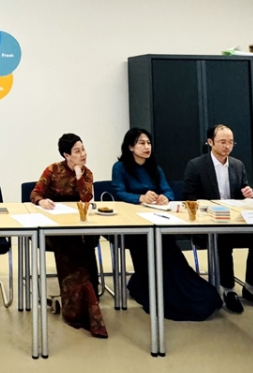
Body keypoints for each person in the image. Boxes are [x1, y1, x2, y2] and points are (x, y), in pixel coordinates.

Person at [113, 128, 221, 321]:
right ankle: (152, 287)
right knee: (151, 253)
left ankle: (185, 291)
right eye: (141, 143)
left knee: (170, 254)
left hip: (158, 220)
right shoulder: (120, 167)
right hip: (134, 225)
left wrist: (165, 197)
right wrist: (140, 197)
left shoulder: (155, 168)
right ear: (130, 147)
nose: (147, 147)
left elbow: (168, 190)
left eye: (148, 143)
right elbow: (119, 192)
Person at [31, 133, 107, 338]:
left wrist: (79, 175)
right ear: (66, 155)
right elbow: (35, 193)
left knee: (82, 245)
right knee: (72, 248)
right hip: (56, 228)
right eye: (77, 151)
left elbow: (86, 198)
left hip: (79, 227)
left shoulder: (87, 173)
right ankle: (78, 308)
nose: (83, 154)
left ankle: (86, 300)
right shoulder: (53, 170)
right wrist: (42, 201)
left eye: (83, 149)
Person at [183, 124, 253, 314]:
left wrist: (247, 194)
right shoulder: (196, 165)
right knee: (223, 239)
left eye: (230, 142)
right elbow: (189, 197)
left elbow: (243, 192)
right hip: (210, 223)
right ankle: (228, 289)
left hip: (234, 221)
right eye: (222, 142)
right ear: (210, 142)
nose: (227, 146)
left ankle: (251, 287)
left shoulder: (237, 165)